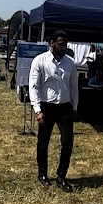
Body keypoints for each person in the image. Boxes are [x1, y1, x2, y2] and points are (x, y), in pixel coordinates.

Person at [29, 30, 79, 191]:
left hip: (65, 107)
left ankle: (61, 177)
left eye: (65, 44)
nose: (64, 48)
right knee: (43, 142)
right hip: (47, 107)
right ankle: (42, 174)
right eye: (60, 44)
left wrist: (74, 107)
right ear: (51, 43)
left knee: (67, 142)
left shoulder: (70, 63)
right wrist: (38, 110)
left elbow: (74, 87)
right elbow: (33, 87)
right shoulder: (40, 61)